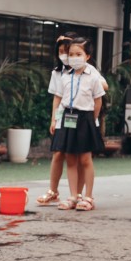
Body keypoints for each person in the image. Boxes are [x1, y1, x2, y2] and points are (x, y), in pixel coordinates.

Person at [50, 37, 103, 212]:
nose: (74, 57)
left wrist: (90, 120)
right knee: (70, 159)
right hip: (67, 118)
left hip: (85, 118)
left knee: (85, 159)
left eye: (78, 54)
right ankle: (73, 195)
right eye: (71, 54)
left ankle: (88, 196)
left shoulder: (93, 76)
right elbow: (59, 99)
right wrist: (56, 119)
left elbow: (98, 101)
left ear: (87, 56)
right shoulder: (65, 77)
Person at [37, 34, 72, 206]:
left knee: (77, 156)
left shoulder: (86, 69)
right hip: (63, 117)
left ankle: (78, 194)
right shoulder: (57, 73)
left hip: (81, 118)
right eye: (60, 52)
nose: (64, 55)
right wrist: (54, 120)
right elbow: (57, 99)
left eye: (67, 51)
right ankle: (53, 191)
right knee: (58, 153)